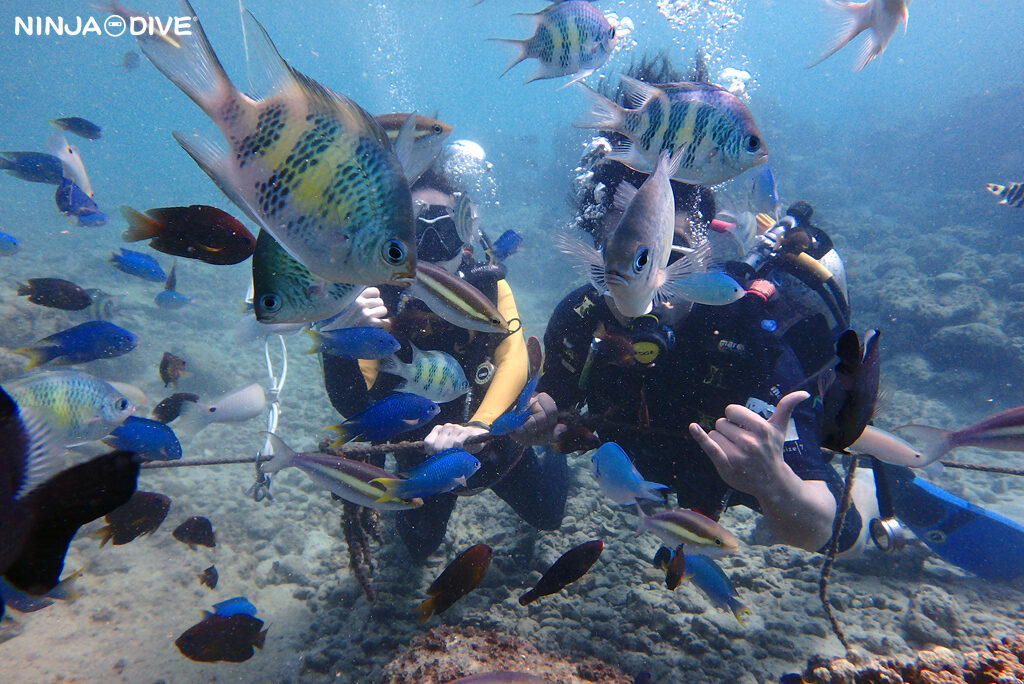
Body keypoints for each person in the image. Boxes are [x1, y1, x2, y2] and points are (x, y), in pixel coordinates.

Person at [513, 55, 865, 554]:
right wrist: (538, 416)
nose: (648, 284)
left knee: (857, 527)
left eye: (669, 254)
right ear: (596, 251)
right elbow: (552, 401)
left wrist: (773, 483)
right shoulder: (579, 318)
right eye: (622, 258)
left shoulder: (747, 331)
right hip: (642, 474)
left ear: (703, 246)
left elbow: (825, 532)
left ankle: (885, 481)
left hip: (732, 486)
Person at [323, 142, 568, 562]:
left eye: (446, 228)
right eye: (420, 228)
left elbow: (513, 359)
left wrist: (479, 426)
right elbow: (353, 402)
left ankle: (557, 458)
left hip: (492, 441)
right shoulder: (376, 295)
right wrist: (338, 341)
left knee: (549, 516)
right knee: (418, 547)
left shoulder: (488, 286)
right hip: (422, 452)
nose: (434, 243)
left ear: (467, 232)